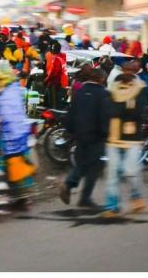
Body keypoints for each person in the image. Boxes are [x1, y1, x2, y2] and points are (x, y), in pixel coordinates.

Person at [102, 61, 148, 218]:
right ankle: (112, 207)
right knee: (112, 174)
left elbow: (138, 112)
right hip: (113, 137)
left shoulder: (141, 88)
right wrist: (127, 105)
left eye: (132, 70)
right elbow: (109, 110)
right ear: (122, 70)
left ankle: (137, 199)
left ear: (136, 71)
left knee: (131, 171)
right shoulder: (113, 86)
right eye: (126, 70)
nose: (129, 72)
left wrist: (120, 108)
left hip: (133, 138)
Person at [60, 67, 109, 209]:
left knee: (82, 163)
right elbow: (104, 117)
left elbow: (71, 113)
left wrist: (71, 131)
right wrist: (106, 134)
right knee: (94, 167)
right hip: (96, 136)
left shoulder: (79, 92)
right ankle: (84, 197)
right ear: (101, 79)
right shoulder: (103, 94)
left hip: (80, 135)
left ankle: (70, 185)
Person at [0, 61, 36, 210]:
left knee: (6, 164)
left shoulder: (0, 93)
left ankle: (7, 195)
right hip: (22, 132)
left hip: (8, 135)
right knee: (20, 162)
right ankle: (24, 198)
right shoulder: (16, 88)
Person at [44, 42, 68, 109]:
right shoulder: (62, 58)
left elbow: (53, 73)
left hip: (56, 83)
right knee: (59, 101)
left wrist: (46, 80)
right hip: (63, 82)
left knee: (54, 102)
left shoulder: (56, 59)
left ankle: (53, 115)